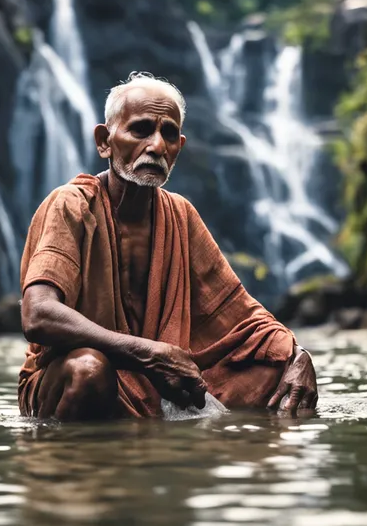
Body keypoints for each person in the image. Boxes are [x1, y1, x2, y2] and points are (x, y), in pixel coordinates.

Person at [18, 73, 317, 421]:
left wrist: (298, 355)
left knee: (278, 373)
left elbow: (244, 318)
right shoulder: (71, 205)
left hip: (156, 379)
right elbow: (37, 315)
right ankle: (84, 468)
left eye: (169, 134)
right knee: (88, 369)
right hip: (75, 379)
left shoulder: (180, 215)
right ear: (104, 141)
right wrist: (147, 354)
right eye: (141, 130)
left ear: (179, 147)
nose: (157, 146)